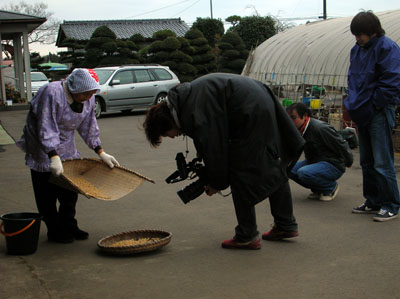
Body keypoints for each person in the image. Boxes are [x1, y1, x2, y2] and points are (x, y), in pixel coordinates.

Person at [143, 73, 305, 250]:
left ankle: (246, 235)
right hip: (258, 100)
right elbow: (208, 140)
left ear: (167, 123)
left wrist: (217, 182)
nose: (172, 138)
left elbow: (215, 148)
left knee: (240, 172)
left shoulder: (192, 109)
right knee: (272, 165)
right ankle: (285, 224)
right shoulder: (184, 101)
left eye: (166, 135)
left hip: (249, 111)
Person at [17, 68, 120, 243]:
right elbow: (46, 124)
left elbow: (88, 124)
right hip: (42, 146)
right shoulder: (51, 93)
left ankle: (69, 224)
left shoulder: (88, 97)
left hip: (66, 146)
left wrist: (100, 150)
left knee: (69, 192)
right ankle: (54, 230)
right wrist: (52, 155)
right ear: (74, 89)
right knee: (46, 194)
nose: (89, 97)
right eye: (85, 94)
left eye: (91, 94)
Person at [345, 11, 400, 221]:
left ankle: (391, 204)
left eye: (360, 34)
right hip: (362, 110)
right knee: (367, 160)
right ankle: (373, 200)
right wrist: (353, 102)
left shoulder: (388, 48)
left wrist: (376, 104)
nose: (357, 38)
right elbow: (353, 77)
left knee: (382, 161)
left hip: (377, 111)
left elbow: (392, 81)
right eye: (356, 35)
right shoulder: (356, 49)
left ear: (373, 32)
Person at [286, 102, 353, 201]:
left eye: (293, 118)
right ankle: (319, 189)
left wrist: (349, 161)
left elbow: (340, 144)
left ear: (304, 116)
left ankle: (330, 187)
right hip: (315, 161)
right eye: (288, 118)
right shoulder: (299, 129)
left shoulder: (320, 128)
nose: (291, 121)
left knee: (303, 172)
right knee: (289, 169)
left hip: (332, 164)